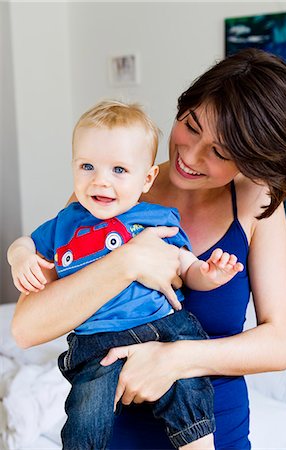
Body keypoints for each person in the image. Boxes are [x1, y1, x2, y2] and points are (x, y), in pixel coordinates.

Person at [11, 48, 286, 450]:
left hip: (216, 429)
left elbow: (281, 343)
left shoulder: (256, 202)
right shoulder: (111, 188)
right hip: (116, 432)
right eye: (191, 125)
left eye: (219, 152)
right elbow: (26, 328)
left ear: (250, 162)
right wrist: (128, 262)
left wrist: (174, 359)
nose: (190, 156)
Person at [8, 100, 244, 450]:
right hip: (97, 341)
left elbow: (183, 265)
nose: (101, 181)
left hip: (162, 327)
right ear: (73, 168)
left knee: (189, 390)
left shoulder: (156, 218)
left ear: (146, 178)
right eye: (87, 166)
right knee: (86, 409)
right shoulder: (65, 224)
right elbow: (25, 243)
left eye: (119, 170)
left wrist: (208, 274)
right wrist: (20, 257)